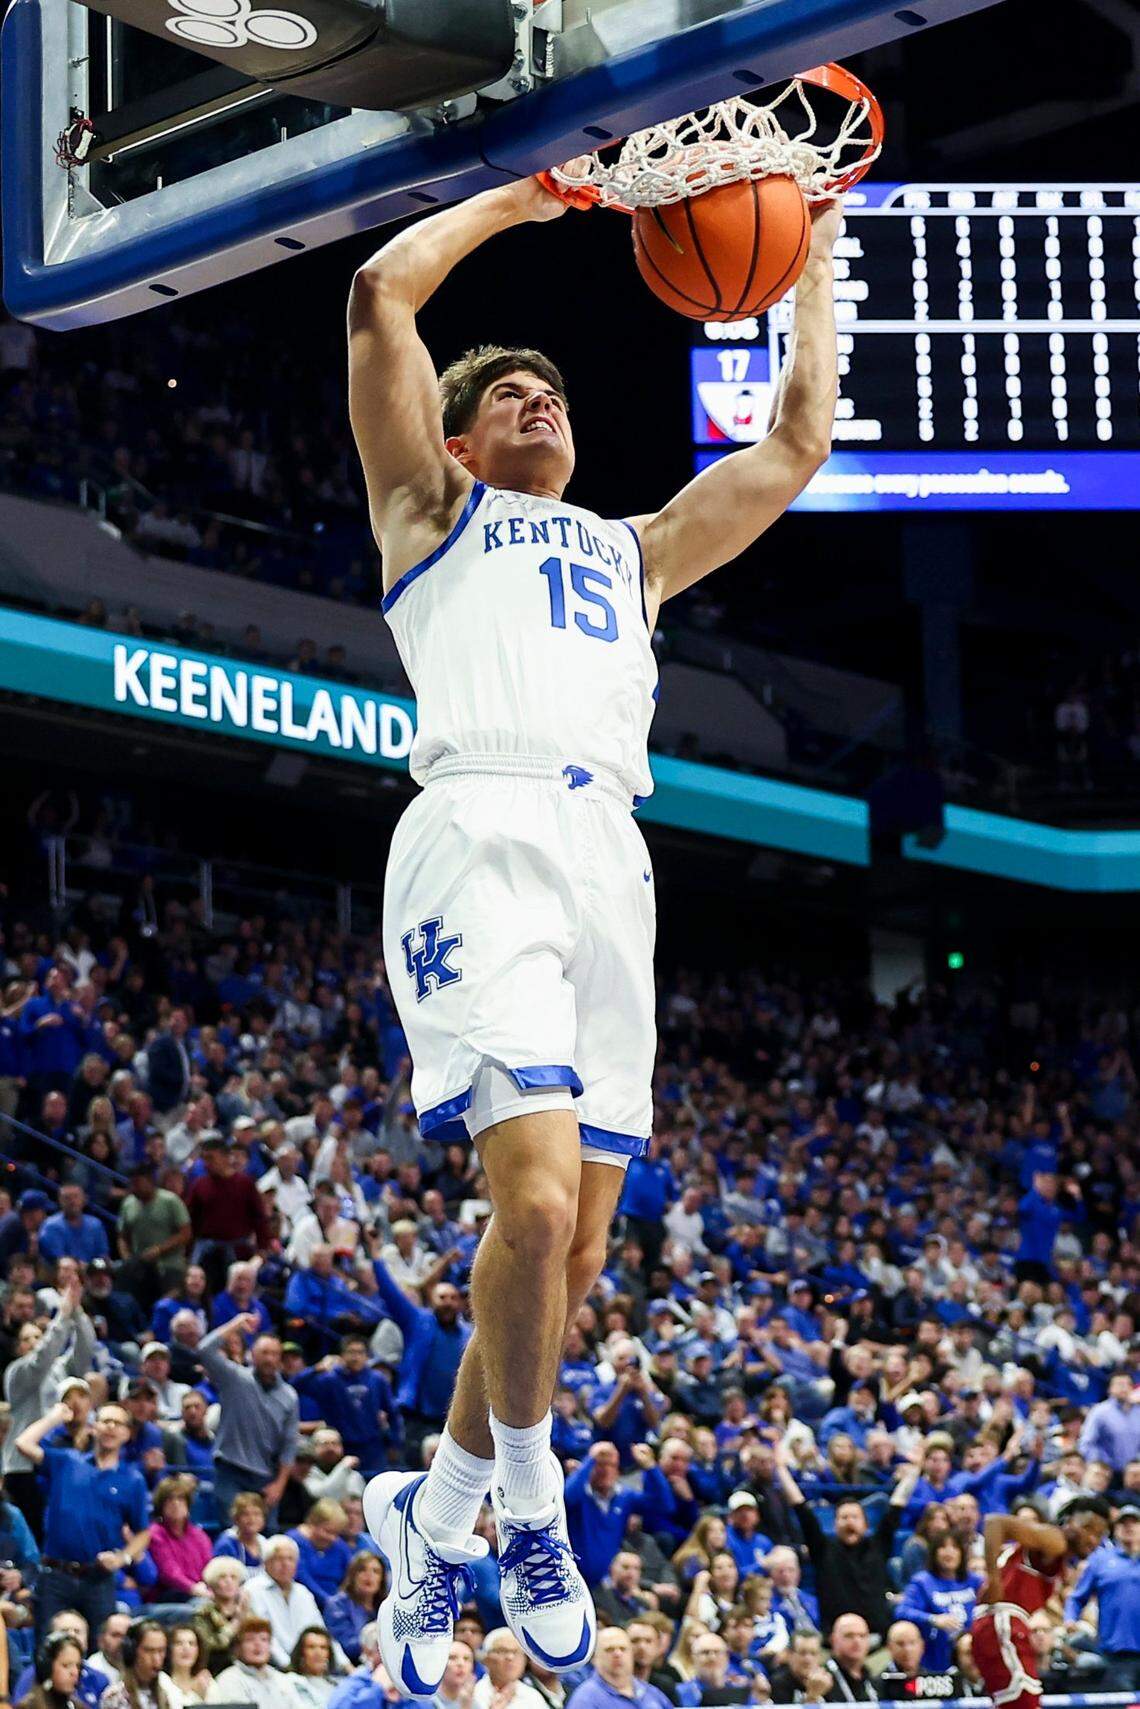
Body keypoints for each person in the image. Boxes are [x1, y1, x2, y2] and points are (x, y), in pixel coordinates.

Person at [350, 167, 841, 1695]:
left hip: (607, 861)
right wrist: (525, 200)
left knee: (562, 1273)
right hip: (481, 832)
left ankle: (432, 1511)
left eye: (554, 389)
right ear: (457, 433)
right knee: (541, 1212)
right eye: (506, 390)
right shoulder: (431, 512)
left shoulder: (632, 551)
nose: (539, 399)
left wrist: (813, 253)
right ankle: (532, 1505)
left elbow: (798, 443)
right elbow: (379, 295)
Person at [16, 1398, 150, 1641]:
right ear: (93, 1427)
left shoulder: (133, 1480)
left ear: (127, 1434)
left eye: (118, 1423)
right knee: (48, 1650)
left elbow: (143, 1532)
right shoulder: (67, 1461)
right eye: (105, 1420)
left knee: (102, 1650)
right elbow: (23, 1443)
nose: (110, 1427)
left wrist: (122, 1558)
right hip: (55, 1574)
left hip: (98, 1579)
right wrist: (55, 1417)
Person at [970, 1499, 1109, 1709]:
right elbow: (994, 1523)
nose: (1092, 1538)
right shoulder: (1055, 1539)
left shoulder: (1055, 1558)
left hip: (993, 1626)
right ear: (1068, 1521)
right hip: (1002, 1622)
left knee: (1011, 1704)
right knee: (1024, 1703)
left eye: (1099, 1535)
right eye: (1087, 1527)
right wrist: (994, 1580)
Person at [774, 1446, 919, 1638]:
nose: (849, 1521)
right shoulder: (823, 1548)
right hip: (836, 1640)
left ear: (865, 1524)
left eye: (854, 1517)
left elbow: (898, 1502)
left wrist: (916, 1468)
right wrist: (781, 1468)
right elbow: (800, 1507)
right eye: (843, 1517)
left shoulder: (878, 1545)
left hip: (877, 1638)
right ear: (835, 1525)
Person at [2, 1274, 94, 1532]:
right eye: (26, 1339)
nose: (33, 1342)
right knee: (32, 1534)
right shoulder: (17, 1372)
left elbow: (86, 1349)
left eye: (37, 1336)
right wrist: (62, 1318)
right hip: (23, 1467)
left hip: (54, 1459)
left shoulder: (61, 1369)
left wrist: (76, 1312)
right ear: (17, 1348)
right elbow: (42, 1358)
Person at [198, 1317, 299, 1524]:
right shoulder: (235, 1377)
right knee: (231, 1530)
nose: (269, 1359)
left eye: (274, 1354)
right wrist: (236, 1323)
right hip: (230, 1469)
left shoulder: (290, 1396)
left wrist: (279, 1484)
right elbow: (204, 1349)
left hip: (265, 1477)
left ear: (280, 1359)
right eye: (264, 1353)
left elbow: (289, 1444)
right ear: (252, 1354)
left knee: (268, 1536)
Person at [1063, 1502, 1140, 1689]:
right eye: (1123, 1523)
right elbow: (1076, 1597)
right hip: (1117, 1653)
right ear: (1115, 1529)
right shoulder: (1101, 1560)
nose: (1128, 1527)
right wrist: (1070, 1619)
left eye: (1134, 1522)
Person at [242, 1535, 328, 1671]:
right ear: (266, 1562)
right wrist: (289, 1667)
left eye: (290, 1559)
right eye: (279, 1559)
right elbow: (266, 1637)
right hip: (274, 1666)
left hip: (305, 1665)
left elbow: (319, 1629)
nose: (285, 1564)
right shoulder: (252, 1589)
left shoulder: (303, 1592)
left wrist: (346, 1666)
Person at [896, 1534, 979, 1671]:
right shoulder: (922, 1582)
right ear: (934, 1553)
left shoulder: (975, 1581)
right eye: (942, 1547)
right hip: (936, 1654)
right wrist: (933, 1619)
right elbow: (902, 1611)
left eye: (954, 1547)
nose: (949, 1552)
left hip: (971, 1652)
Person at [566, 1627, 671, 1709]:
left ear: (631, 1654)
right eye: (609, 1649)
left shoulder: (651, 1692)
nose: (617, 1654)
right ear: (594, 1658)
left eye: (623, 1649)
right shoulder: (585, 1699)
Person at [147, 1475, 213, 1602]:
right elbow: (169, 1573)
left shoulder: (199, 1535)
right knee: (204, 1605)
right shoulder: (155, 1534)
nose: (176, 1503)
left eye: (181, 1499)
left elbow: (210, 1567)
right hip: (170, 1593)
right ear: (161, 1506)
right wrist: (194, 1588)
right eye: (169, 1499)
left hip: (201, 1589)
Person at [207, 1616, 294, 1709]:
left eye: (264, 1639)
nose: (258, 1644)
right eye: (250, 1639)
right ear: (237, 1648)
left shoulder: (282, 1679)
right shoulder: (229, 1679)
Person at [98, 1621, 178, 1709]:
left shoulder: (168, 1689)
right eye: (149, 1651)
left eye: (161, 1651)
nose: (157, 1658)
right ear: (132, 1651)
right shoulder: (115, 1697)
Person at [324, 1555, 386, 1665]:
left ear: (382, 1579)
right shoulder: (337, 1605)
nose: (369, 1576)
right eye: (362, 1570)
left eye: (376, 1571)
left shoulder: (386, 1606)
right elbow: (346, 1645)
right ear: (353, 1575)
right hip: (353, 1665)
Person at [471, 1631, 546, 1709]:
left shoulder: (534, 1697)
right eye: (502, 1651)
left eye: (516, 1652)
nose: (510, 1657)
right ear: (486, 1659)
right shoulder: (473, 1695)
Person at [764, 1633, 832, 1706]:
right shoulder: (777, 1683)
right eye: (802, 1653)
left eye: (813, 1653)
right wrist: (812, 1697)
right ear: (790, 1655)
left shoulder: (828, 1680)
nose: (808, 1659)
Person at [21, 1634, 85, 1709]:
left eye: (78, 1666)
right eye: (66, 1665)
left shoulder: (77, 1706)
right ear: (48, 1667)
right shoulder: (29, 1706)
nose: (75, 1672)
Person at [822, 1616, 875, 1705]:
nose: (857, 1641)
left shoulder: (874, 1680)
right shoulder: (822, 1679)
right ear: (833, 1640)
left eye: (862, 1636)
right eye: (849, 1636)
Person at [286, 1630, 338, 1709]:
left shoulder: (337, 1684)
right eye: (311, 1647)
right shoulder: (291, 1681)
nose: (318, 1653)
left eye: (323, 1647)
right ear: (301, 1653)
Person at [165, 1625, 213, 1706]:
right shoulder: (163, 1682)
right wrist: (197, 1696)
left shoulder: (206, 1681)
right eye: (179, 1643)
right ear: (168, 1649)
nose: (186, 1648)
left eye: (191, 1643)